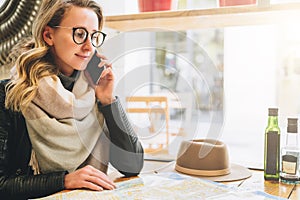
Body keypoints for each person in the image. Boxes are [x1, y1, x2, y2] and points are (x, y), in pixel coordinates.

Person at [0, 0, 144, 199]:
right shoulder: (12, 94)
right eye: (79, 34)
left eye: (94, 36)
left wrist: (108, 100)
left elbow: (132, 165)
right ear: (49, 35)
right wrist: (65, 180)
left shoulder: (94, 89)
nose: (89, 47)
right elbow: (2, 185)